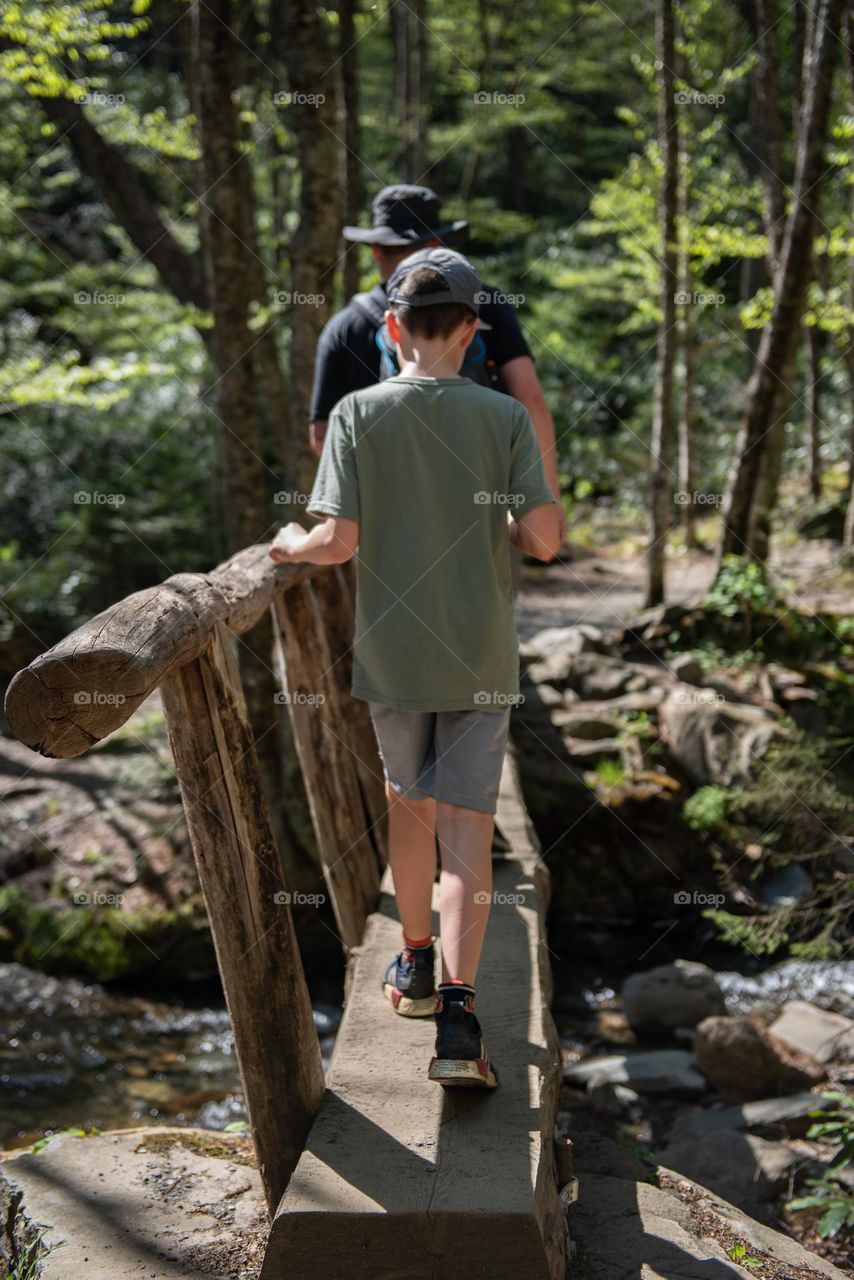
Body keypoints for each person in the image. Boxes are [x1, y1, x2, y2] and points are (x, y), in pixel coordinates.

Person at [269, 248, 560, 1089]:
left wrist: (291, 541)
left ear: (391, 326)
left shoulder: (358, 413)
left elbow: (337, 543)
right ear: (473, 333)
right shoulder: (501, 417)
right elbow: (544, 540)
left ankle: (416, 969)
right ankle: (463, 1022)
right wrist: (500, 527)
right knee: (469, 822)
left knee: (410, 806)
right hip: (479, 652)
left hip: (391, 651)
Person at [309, 183, 565, 539]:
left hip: (388, 522)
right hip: (484, 510)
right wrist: (546, 496)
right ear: (437, 244)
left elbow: (322, 437)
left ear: (375, 250)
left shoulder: (345, 327)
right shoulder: (482, 303)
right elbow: (529, 397)